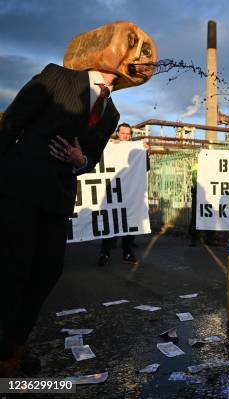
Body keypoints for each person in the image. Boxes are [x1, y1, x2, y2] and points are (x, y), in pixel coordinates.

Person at [0, 22, 157, 377]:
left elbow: (92, 158)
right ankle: (5, 350)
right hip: (19, 190)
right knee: (13, 269)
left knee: (46, 271)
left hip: (56, 200)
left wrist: (79, 161)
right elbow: (10, 124)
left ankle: (17, 343)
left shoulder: (112, 113)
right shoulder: (56, 78)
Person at [98, 123, 149, 266]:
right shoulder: (110, 146)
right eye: (123, 133)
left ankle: (127, 252)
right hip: (114, 193)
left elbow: (146, 168)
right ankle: (105, 253)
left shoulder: (136, 149)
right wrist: (110, 146)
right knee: (112, 222)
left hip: (131, 193)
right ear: (117, 133)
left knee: (129, 223)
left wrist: (145, 153)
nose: (125, 136)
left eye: (128, 134)